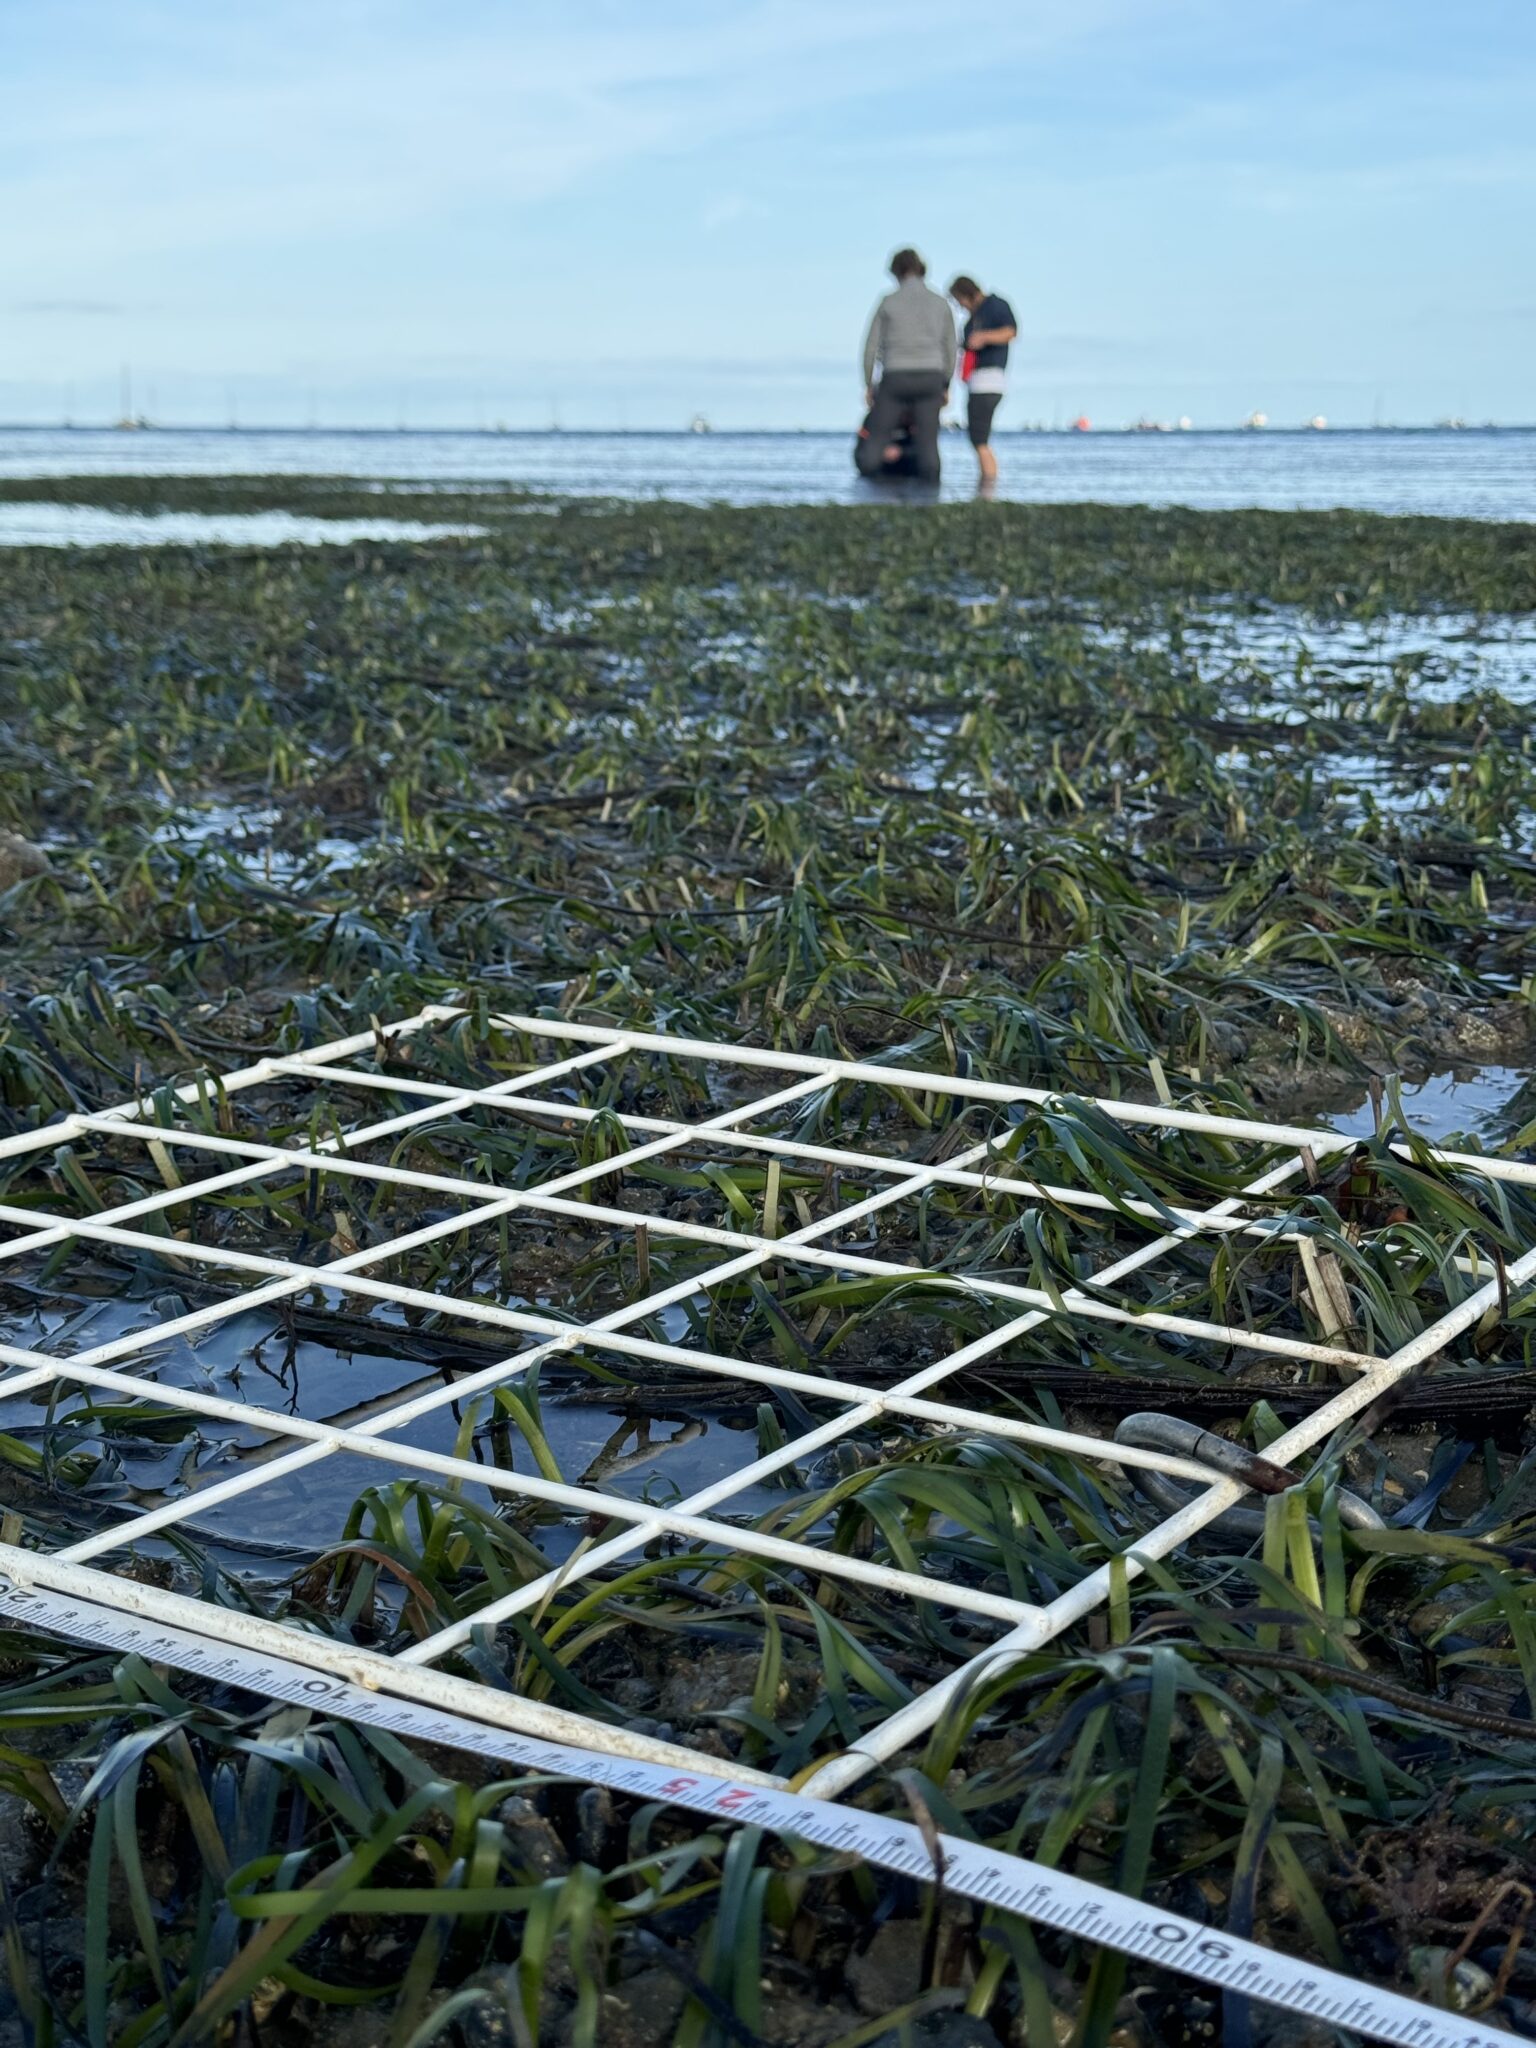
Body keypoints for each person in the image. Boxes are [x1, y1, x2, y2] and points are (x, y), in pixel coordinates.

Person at [858, 249, 954, 483]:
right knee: (928, 445)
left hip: (895, 375)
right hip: (931, 376)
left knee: (877, 439)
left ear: (896, 271)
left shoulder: (888, 302)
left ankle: (870, 488)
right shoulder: (940, 303)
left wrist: (869, 383)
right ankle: (930, 499)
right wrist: (945, 384)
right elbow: (951, 347)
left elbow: (870, 347)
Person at [949, 275, 1017, 484]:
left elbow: (1010, 331)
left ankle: (988, 486)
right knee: (977, 437)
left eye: (959, 300)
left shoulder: (996, 305)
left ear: (965, 294)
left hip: (989, 380)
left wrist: (984, 337)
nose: (960, 306)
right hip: (976, 381)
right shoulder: (971, 319)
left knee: (979, 438)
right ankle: (985, 484)